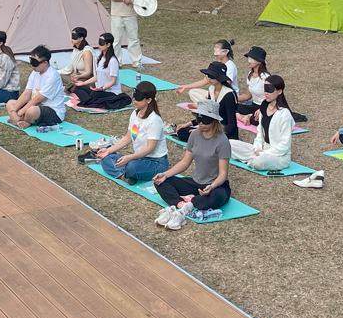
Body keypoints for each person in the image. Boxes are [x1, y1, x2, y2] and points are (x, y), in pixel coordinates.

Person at [154, 100, 232, 229]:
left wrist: (211, 187)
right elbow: (185, 162)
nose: (200, 123)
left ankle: (188, 205)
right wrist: (165, 174)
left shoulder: (223, 141)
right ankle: (180, 205)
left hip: (215, 186)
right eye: (198, 118)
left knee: (216, 198)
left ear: (214, 120)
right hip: (195, 183)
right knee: (160, 182)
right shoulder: (194, 135)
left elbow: (223, 174)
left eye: (205, 120)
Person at [95, 81, 168, 182]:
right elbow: (129, 137)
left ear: (149, 100)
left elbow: (150, 148)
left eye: (138, 99)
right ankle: (125, 176)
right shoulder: (135, 114)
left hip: (156, 162)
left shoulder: (154, 120)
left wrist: (129, 157)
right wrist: (109, 150)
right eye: (134, 97)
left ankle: (126, 173)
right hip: (139, 158)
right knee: (107, 158)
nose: (134, 101)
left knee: (131, 167)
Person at [229, 74, 294, 170]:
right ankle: (252, 158)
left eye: (270, 89)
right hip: (261, 150)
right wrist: (257, 148)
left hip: (278, 156)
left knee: (258, 162)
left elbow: (285, 145)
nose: (266, 92)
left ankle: (253, 160)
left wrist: (264, 153)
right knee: (229, 144)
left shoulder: (284, 114)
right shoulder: (264, 108)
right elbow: (259, 133)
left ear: (279, 91)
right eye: (265, 88)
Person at [171, 61, 239, 142]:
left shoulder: (228, 94)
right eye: (208, 76)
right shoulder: (211, 89)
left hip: (223, 131)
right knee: (183, 131)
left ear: (219, 78)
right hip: (211, 126)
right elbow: (207, 113)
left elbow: (231, 124)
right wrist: (189, 124)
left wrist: (210, 133)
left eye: (211, 76)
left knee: (190, 135)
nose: (208, 78)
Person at [6, 46, 68, 127]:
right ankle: (22, 120)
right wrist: (14, 110)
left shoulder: (53, 76)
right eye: (31, 61)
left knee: (31, 111)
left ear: (45, 63)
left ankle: (22, 120)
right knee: (10, 103)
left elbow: (37, 99)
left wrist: (19, 112)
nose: (32, 65)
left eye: (35, 62)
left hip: (53, 110)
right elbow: (27, 93)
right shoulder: (35, 72)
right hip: (35, 105)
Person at [72, 32, 131, 110]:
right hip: (99, 90)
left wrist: (102, 88)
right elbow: (97, 77)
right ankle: (91, 99)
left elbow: (113, 81)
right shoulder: (101, 58)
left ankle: (90, 100)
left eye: (101, 43)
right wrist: (83, 83)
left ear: (108, 45)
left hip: (111, 92)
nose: (99, 45)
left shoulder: (112, 61)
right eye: (99, 42)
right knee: (78, 88)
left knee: (93, 94)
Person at [179, 40, 244, 102]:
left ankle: (210, 106)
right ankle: (209, 105)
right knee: (193, 92)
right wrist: (186, 86)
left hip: (226, 95)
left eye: (217, 47)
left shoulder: (230, 66)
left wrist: (212, 83)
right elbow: (205, 81)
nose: (215, 49)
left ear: (225, 52)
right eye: (215, 47)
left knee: (210, 91)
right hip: (215, 93)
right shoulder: (216, 64)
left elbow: (227, 83)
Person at [234, 46, 270, 121]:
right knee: (230, 106)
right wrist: (232, 99)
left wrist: (262, 110)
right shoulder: (250, 74)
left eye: (252, 58)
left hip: (263, 108)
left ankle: (246, 117)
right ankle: (243, 117)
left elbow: (272, 98)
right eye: (248, 58)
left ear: (259, 61)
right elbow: (248, 95)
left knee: (258, 118)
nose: (249, 60)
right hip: (253, 106)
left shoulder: (265, 78)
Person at [63, 26, 96, 93]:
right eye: (72, 36)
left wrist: (78, 76)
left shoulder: (86, 52)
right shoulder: (76, 50)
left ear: (81, 38)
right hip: (76, 77)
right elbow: (70, 68)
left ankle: (74, 89)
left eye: (74, 37)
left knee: (74, 86)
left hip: (86, 80)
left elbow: (88, 73)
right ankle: (72, 88)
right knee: (57, 76)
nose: (72, 39)